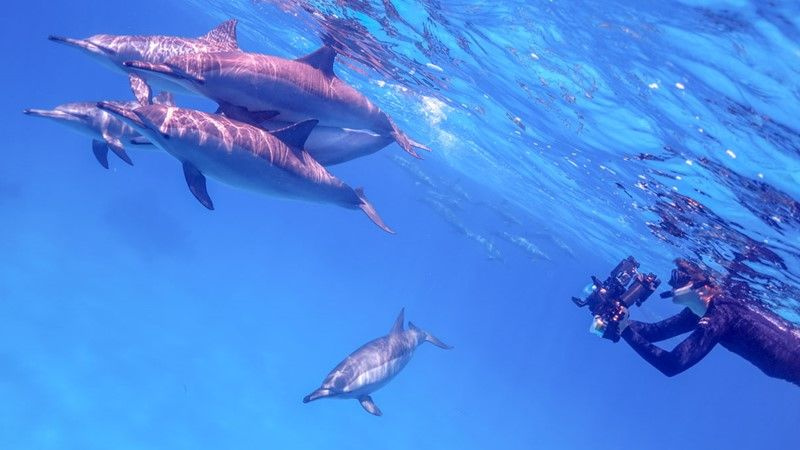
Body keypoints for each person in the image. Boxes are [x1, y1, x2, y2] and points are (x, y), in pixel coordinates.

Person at [618, 259, 800, 386]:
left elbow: (673, 364)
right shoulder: (701, 312)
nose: (672, 283)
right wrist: (616, 317)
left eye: (680, 277)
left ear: (703, 287)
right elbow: (654, 332)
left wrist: (623, 330)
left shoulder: (722, 313)